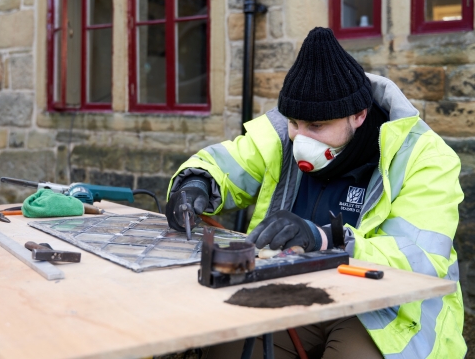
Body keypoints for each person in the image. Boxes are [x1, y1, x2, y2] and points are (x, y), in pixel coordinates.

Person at [165, 27, 466, 358]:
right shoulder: (282, 134)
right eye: (295, 122)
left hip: (384, 305)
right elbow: (224, 162)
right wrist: (194, 183)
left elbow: (418, 257)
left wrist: (324, 239)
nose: (299, 138)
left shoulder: (423, 157)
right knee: (226, 349)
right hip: (291, 284)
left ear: (359, 115)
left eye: (317, 127)